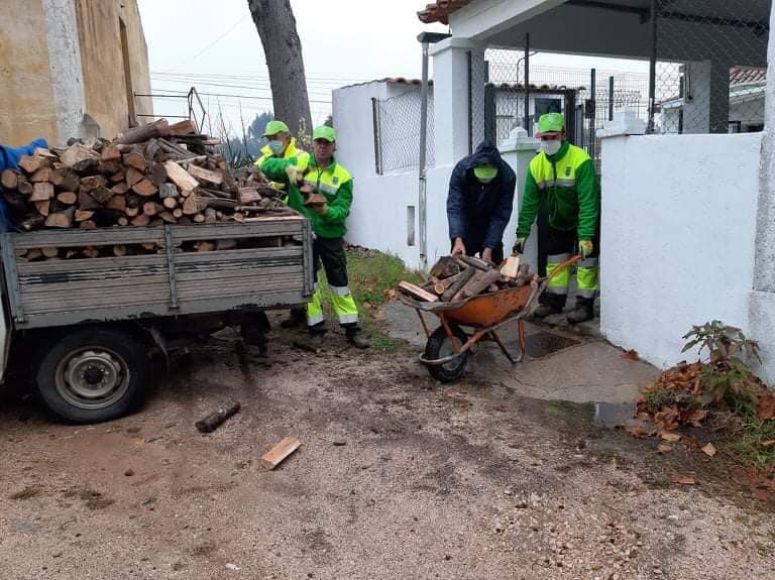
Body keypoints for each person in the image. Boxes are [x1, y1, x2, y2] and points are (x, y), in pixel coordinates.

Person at [262, 125, 369, 350]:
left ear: (333, 146)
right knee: (309, 283)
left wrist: (326, 212)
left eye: (326, 143)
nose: (322, 146)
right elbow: (269, 167)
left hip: (330, 234)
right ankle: (316, 329)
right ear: (314, 144)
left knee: (339, 282)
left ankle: (352, 329)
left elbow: (343, 209)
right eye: (318, 142)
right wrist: (274, 159)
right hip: (304, 233)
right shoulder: (300, 165)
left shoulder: (343, 176)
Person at [513, 112, 600, 323]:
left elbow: (589, 200)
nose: (549, 141)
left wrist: (586, 235)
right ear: (538, 136)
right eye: (544, 138)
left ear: (563, 135)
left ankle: (584, 305)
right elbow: (529, 202)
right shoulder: (537, 164)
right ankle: (554, 301)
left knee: (586, 263)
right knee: (555, 261)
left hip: (582, 219)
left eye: (553, 137)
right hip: (556, 220)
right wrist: (522, 234)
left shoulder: (580, 160)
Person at [255, 119, 310, 328]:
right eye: (268, 139)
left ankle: (303, 312)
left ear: (286, 136)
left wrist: (273, 176)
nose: (271, 142)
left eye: (275, 138)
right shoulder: (264, 159)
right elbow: (256, 174)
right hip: (272, 220)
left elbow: (296, 177)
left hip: (299, 218)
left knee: (302, 266)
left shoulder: (301, 156)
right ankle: (292, 311)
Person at [446, 142, 516, 264]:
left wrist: (489, 246)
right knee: (459, 267)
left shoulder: (507, 176)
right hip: (466, 224)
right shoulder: (461, 171)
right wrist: (457, 238)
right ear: (474, 168)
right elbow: (455, 207)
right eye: (481, 178)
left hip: (490, 224)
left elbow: (501, 215)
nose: (484, 182)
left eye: (488, 178)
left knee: (493, 269)